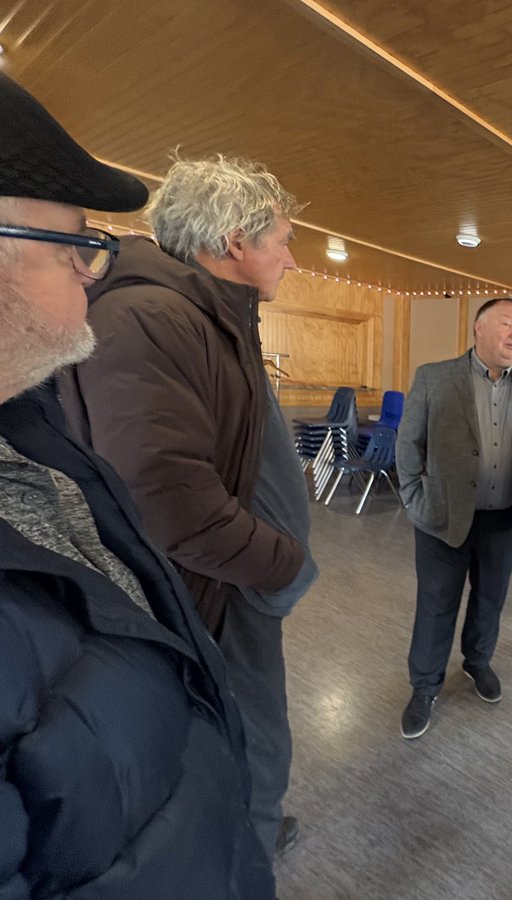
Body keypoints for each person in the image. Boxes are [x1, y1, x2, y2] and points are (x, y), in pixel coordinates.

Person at [0, 73, 273, 898]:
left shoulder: (26, 431)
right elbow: (174, 486)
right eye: (73, 244)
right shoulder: (157, 321)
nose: (92, 272)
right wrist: (284, 562)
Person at [58, 155, 318, 861]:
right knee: (248, 738)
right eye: (283, 240)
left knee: (248, 735)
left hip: (231, 586)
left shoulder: (205, 313)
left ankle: (252, 831)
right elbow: (169, 501)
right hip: (214, 590)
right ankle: (248, 854)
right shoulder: (152, 317)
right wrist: (284, 565)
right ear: (235, 240)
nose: (291, 260)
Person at [396, 297, 512, 739]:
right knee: (435, 605)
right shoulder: (435, 378)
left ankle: (478, 662)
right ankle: (425, 687)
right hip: (442, 518)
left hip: (504, 522)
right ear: (478, 329)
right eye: (507, 323)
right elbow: (409, 447)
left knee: (490, 601)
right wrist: (414, 499)